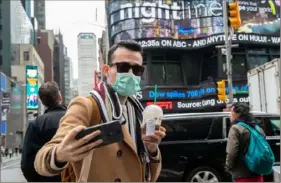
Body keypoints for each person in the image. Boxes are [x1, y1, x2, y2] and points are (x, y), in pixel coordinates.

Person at [34, 40, 166, 182]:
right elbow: (42, 159)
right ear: (106, 70)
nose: (131, 74)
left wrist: (151, 149)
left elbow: (150, 177)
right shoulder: (86, 106)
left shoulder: (138, 111)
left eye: (137, 70)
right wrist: (60, 154)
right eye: (123, 67)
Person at [21, 81, 67, 182]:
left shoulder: (36, 125)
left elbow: (27, 164)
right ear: (60, 97)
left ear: (42, 102)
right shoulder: (76, 119)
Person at [226, 103, 265, 182]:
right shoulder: (257, 128)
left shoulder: (235, 129)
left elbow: (232, 152)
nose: (229, 115)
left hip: (242, 175)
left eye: (231, 112)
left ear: (237, 114)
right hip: (257, 173)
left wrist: (228, 166)